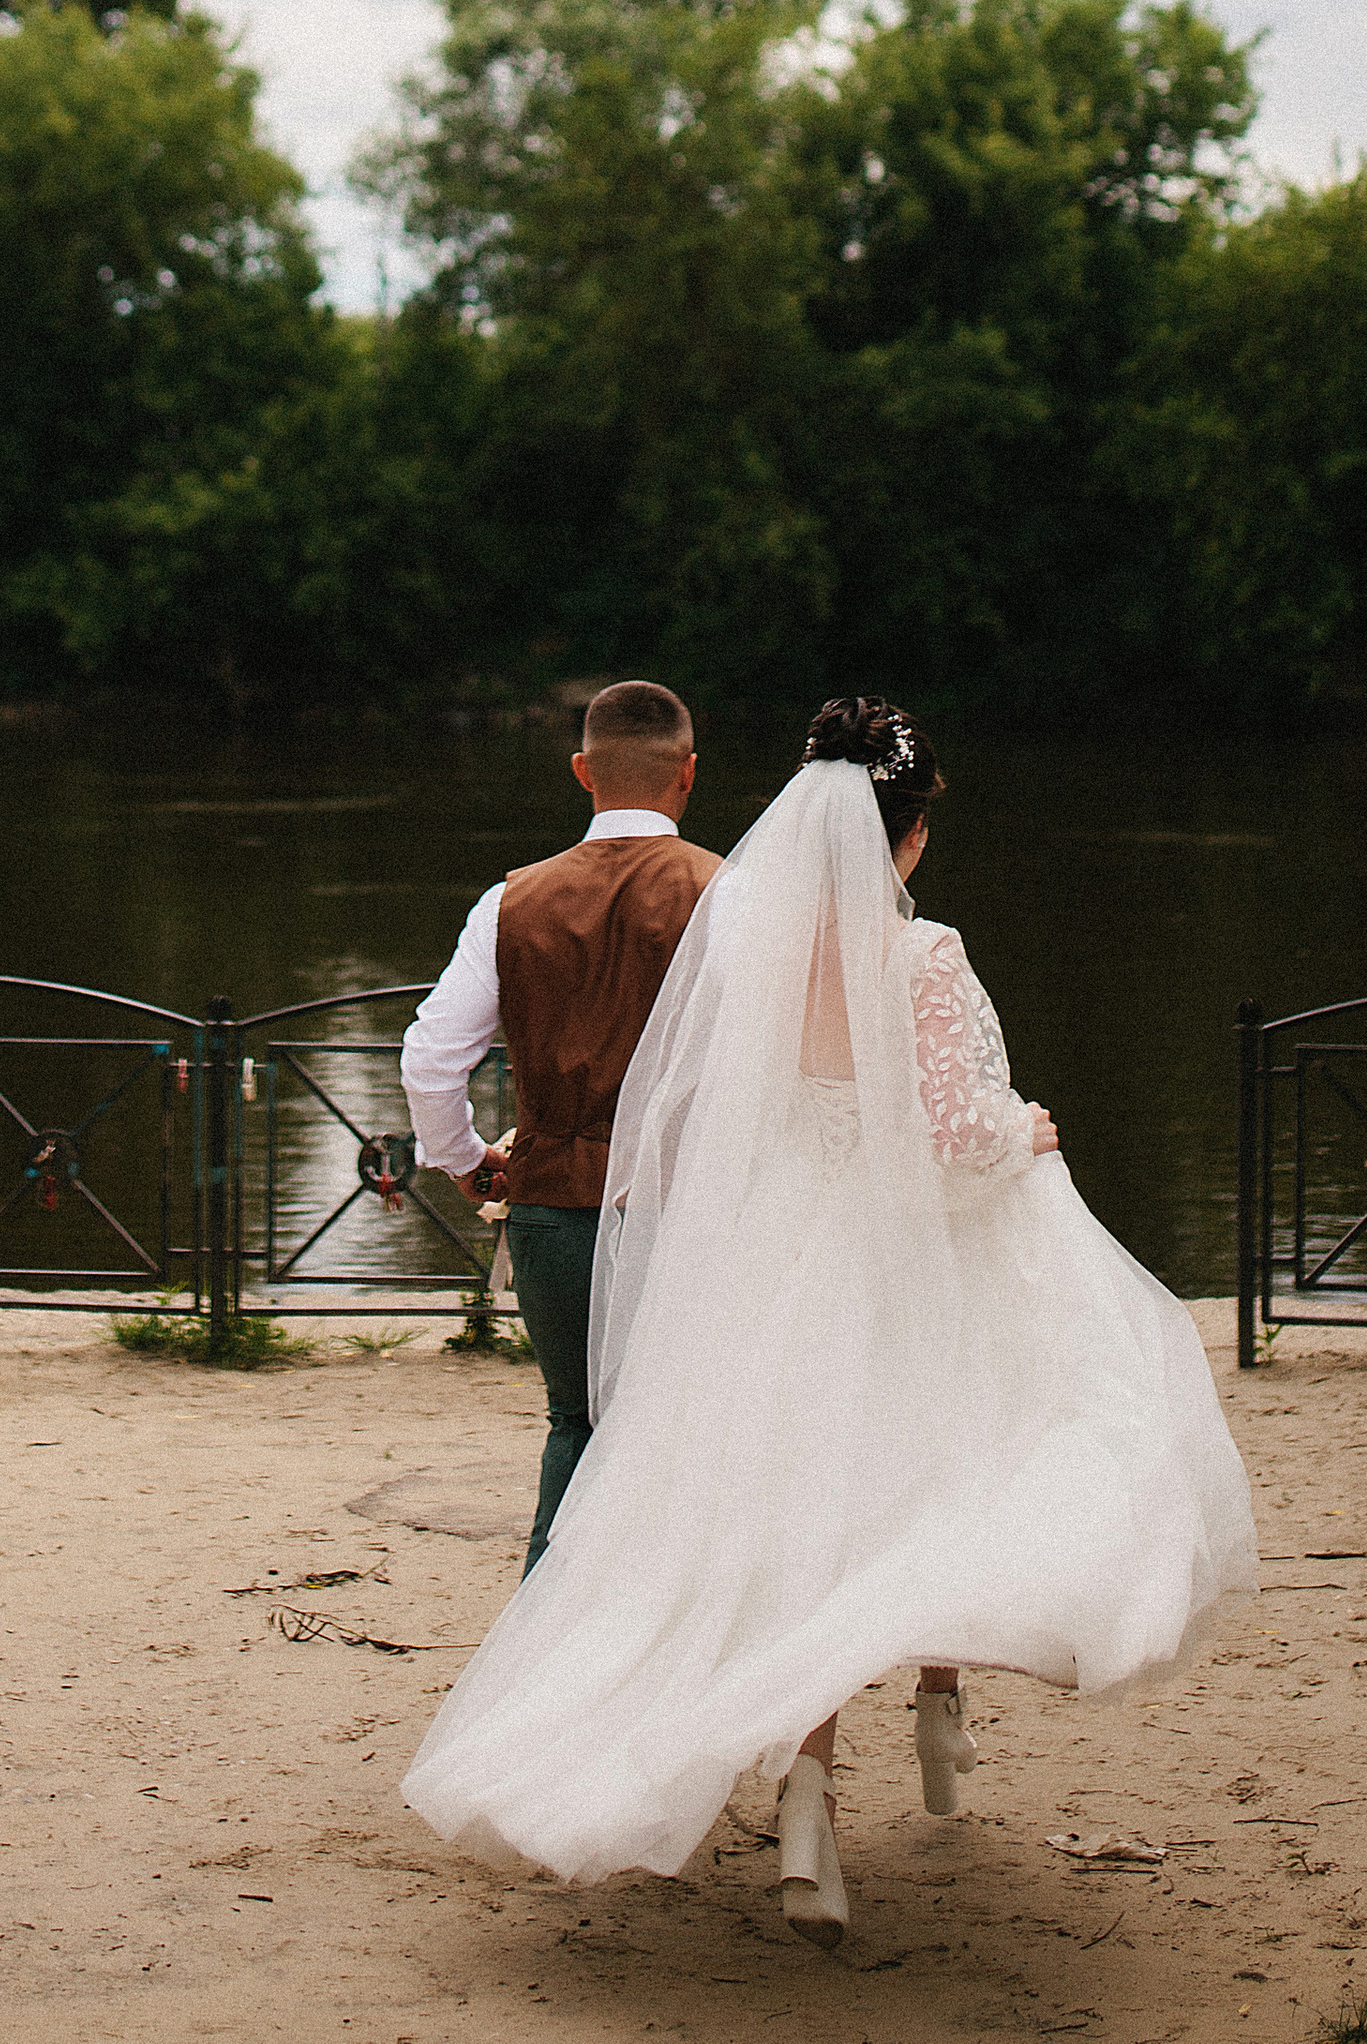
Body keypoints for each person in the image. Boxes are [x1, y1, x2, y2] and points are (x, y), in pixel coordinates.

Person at [403, 695, 1259, 1953]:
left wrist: (501, 1165)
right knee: (942, 1471)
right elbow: (959, 1137)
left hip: (756, 1258)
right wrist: (1031, 1130)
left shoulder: (730, 940)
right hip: (886, 1260)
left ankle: (802, 1792)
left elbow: (654, 1099)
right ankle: (937, 1693)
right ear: (908, 836)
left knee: (766, 1512)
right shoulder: (920, 954)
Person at [399, 678, 718, 1570]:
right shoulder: (726, 893)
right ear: (687, 774)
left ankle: (545, 1652)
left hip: (553, 1204)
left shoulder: (513, 901)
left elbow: (429, 1058)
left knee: (575, 1427)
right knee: (684, 1431)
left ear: (582, 771)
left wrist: (464, 1159)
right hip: (683, 1207)